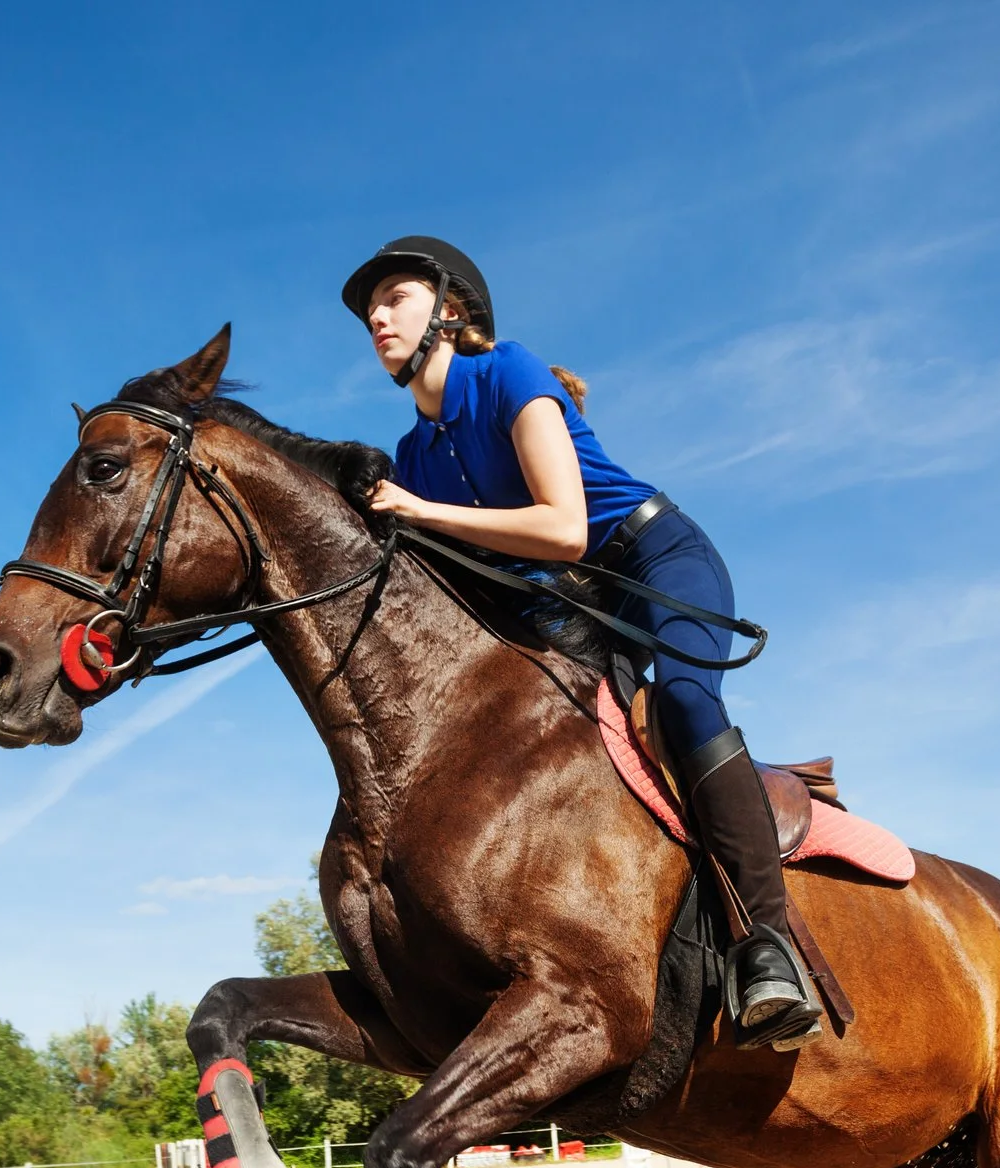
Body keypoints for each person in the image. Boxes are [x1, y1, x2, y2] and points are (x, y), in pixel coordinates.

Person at [341, 236, 822, 1049]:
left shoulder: (507, 373)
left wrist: (416, 512)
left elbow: (564, 529)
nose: (377, 317)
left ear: (451, 310)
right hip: (567, 606)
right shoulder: (415, 454)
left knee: (683, 701)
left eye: (395, 296)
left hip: (656, 559)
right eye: (369, 310)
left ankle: (765, 947)